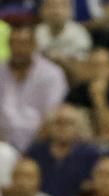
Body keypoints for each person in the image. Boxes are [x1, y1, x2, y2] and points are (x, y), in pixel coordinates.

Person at [0, 23, 68, 152]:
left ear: (34, 45)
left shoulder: (51, 74)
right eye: (14, 43)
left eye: (24, 43)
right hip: (3, 143)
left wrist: (33, 149)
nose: (19, 49)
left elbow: (52, 115)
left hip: (40, 143)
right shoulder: (1, 71)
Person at [26, 104, 101, 196]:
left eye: (69, 123)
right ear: (49, 126)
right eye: (58, 123)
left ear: (79, 127)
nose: (63, 128)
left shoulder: (91, 155)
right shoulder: (35, 152)